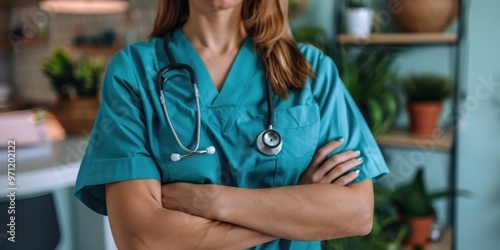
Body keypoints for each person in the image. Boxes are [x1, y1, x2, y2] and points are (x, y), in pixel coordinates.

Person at [74, 0, 389, 249]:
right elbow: (142, 239)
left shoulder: (311, 70)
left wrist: (211, 201)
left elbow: (357, 214)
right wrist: (298, 206)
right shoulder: (134, 72)